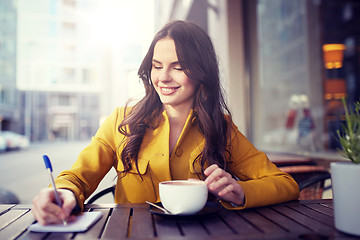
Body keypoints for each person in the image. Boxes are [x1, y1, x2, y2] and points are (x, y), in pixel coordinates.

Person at [32, 20, 299, 225]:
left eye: (178, 67)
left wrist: (240, 192)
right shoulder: (121, 121)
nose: (163, 77)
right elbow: (77, 177)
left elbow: (285, 184)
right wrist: (64, 192)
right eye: (157, 65)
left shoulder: (222, 127)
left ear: (201, 72)